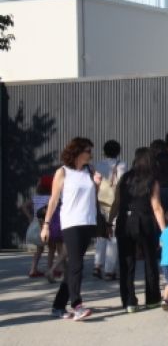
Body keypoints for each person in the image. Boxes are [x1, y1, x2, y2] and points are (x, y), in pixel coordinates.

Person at [41, 137, 101, 321]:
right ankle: (77, 305)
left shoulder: (89, 170)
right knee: (76, 265)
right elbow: (53, 200)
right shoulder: (63, 172)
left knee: (73, 267)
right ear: (77, 152)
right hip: (71, 222)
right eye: (88, 151)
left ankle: (58, 307)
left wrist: (97, 185)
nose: (91, 154)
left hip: (87, 222)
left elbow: (92, 197)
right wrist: (46, 225)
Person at [111, 147, 167, 313]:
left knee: (126, 262)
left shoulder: (125, 178)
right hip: (144, 221)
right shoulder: (152, 180)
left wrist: (108, 222)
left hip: (124, 221)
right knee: (150, 260)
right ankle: (152, 298)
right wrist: (164, 230)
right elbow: (156, 207)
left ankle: (129, 301)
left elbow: (117, 202)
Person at [93, 139, 127, 281]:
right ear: (118, 151)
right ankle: (109, 271)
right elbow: (122, 184)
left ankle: (97, 265)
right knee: (113, 236)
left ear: (104, 151)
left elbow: (95, 184)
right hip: (115, 202)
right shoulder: (122, 165)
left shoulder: (98, 165)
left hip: (101, 201)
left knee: (101, 234)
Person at [26, 176, 53, 278]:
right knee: (51, 248)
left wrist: (29, 216)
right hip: (46, 225)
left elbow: (23, 206)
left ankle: (33, 269)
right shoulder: (50, 199)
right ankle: (51, 269)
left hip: (36, 224)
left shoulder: (35, 198)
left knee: (39, 249)